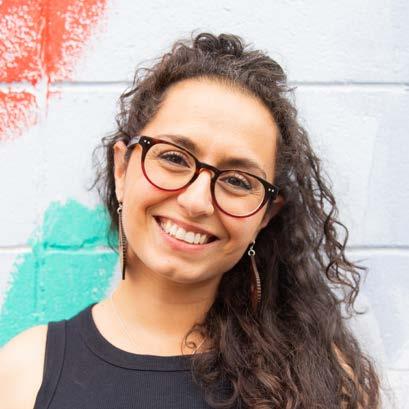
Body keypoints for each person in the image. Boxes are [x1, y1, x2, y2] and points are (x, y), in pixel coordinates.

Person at [0, 32, 380, 408]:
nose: (197, 202)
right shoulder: (24, 374)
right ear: (122, 169)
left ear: (266, 215)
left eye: (237, 181)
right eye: (174, 158)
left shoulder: (324, 384)